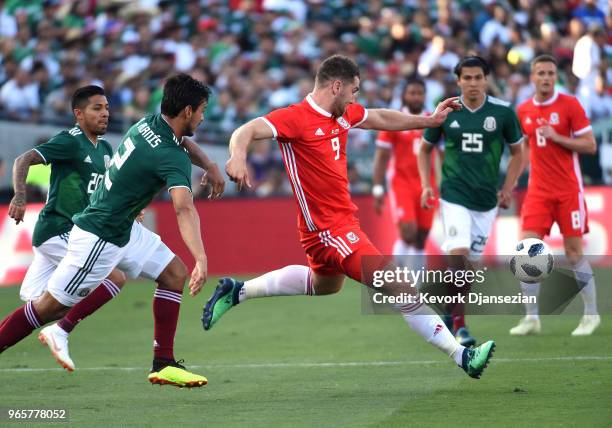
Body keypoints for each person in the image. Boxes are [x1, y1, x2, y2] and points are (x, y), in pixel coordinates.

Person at [204, 55, 495, 379]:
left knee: (324, 285)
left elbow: (380, 117)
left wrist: (429, 121)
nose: (356, 98)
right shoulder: (295, 118)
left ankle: (236, 291)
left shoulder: (342, 115)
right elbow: (246, 130)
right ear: (337, 85)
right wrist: (237, 156)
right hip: (330, 230)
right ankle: (462, 355)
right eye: (354, 91)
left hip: (336, 226)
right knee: (400, 286)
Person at [0, 74, 217, 388]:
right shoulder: (171, 158)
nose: (203, 116)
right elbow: (184, 208)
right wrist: (201, 256)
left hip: (124, 227)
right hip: (99, 238)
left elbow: (182, 140)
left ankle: (164, 362)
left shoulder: (149, 123)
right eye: (201, 110)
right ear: (186, 112)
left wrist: (209, 165)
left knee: (173, 273)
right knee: (48, 308)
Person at [418, 56, 525, 347]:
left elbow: (519, 153)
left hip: (486, 201)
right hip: (453, 195)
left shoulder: (502, 113)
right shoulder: (446, 109)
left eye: (478, 77)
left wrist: (508, 187)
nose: (473, 83)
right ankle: (460, 326)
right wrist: (427, 185)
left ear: (486, 79)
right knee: (460, 257)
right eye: (467, 78)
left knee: (468, 271)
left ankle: (448, 309)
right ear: (459, 80)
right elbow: (425, 149)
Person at [510, 54, 600, 336]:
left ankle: (591, 315)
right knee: (527, 251)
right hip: (538, 191)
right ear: (532, 77)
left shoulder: (569, 104)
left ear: (555, 76)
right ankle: (532, 318)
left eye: (550, 73)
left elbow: (590, 145)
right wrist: (512, 181)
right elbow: (523, 148)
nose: (546, 78)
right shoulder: (523, 109)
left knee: (574, 253)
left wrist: (558, 137)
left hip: (567, 191)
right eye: (541, 73)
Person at [372, 77, 436, 268]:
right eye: (412, 93)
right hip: (402, 183)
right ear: (404, 96)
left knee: (421, 238)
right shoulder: (395, 120)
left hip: (427, 184)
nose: (416, 97)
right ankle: (396, 282)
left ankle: (415, 290)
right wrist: (377, 188)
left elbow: (441, 154)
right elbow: (381, 157)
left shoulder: (433, 120)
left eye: (420, 93)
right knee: (408, 233)